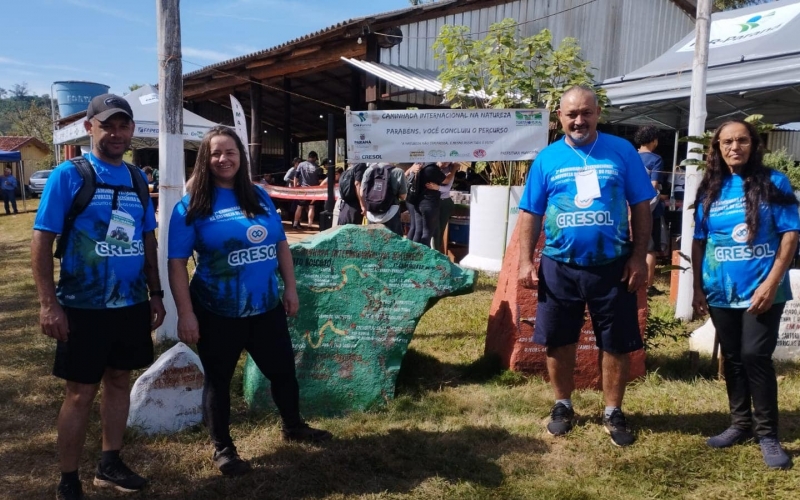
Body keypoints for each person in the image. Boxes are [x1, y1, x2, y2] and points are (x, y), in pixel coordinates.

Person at [167, 126, 331, 477]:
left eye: (230, 152)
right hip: (216, 310)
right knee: (219, 379)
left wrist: (290, 288)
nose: (223, 159)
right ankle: (223, 449)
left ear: (242, 156)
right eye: (216, 153)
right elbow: (176, 263)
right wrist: (185, 313)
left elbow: (280, 244)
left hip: (265, 306)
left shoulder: (258, 195)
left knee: (283, 371)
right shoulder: (191, 204)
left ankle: (293, 425)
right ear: (205, 159)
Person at [30, 93, 166, 500]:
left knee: (120, 380)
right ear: (90, 128)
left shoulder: (138, 178)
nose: (117, 134)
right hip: (83, 305)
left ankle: (110, 463)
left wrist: (156, 293)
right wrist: (48, 304)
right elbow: (41, 241)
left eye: (124, 126)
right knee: (80, 392)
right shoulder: (69, 175)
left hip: (130, 303)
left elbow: (147, 238)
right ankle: (68, 480)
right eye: (108, 126)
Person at [517, 85, 655, 447]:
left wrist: (639, 256)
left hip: (612, 265)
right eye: (571, 114)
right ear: (559, 117)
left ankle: (613, 410)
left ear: (597, 113)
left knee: (616, 342)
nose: (579, 120)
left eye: (586, 113)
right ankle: (562, 404)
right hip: (559, 265)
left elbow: (641, 204)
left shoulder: (621, 151)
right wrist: (523, 261)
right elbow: (530, 212)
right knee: (558, 339)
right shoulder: (547, 158)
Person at [692, 119, 800, 470]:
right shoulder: (711, 186)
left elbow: (789, 234)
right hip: (721, 290)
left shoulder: (773, 182)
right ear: (717, 148)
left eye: (741, 140)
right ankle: (740, 424)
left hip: (762, 291)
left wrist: (772, 282)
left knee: (756, 355)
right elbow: (699, 241)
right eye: (726, 142)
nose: (734, 147)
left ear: (753, 144)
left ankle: (768, 434)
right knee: (734, 358)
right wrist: (696, 285)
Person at [634, 125, 667, 295]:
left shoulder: (630, 156)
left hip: (628, 207)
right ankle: (648, 286)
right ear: (654, 140)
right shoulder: (656, 159)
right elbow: (653, 186)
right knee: (650, 248)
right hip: (649, 210)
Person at [361, 162, 408, 236]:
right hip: (391, 213)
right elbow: (403, 196)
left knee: (373, 240)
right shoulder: (398, 172)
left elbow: (362, 193)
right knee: (393, 241)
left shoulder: (369, 170)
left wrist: (364, 207)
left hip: (371, 212)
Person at [406, 162, 447, 247]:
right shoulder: (432, 169)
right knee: (427, 233)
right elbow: (445, 179)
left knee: (418, 230)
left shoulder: (418, 167)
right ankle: (425, 257)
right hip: (430, 203)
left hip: (418, 202)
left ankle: (413, 254)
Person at [293, 151, 321, 229]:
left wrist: (295, 188)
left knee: (299, 207)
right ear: (315, 158)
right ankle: (310, 225)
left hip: (303, 189)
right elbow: (320, 180)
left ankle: (295, 224)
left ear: (308, 156)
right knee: (311, 207)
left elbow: (296, 177)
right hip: (314, 190)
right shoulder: (317, 167)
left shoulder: (301, 165)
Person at [435, 162, 458, 252]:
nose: (445, 162)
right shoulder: (432, 166)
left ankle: (436, 252)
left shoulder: (451, 169)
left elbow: (447, 186)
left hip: (444, 202)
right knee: (434, 230)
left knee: (439, 231)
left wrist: (437, 187)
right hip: (432, 202)